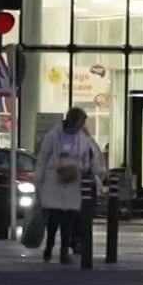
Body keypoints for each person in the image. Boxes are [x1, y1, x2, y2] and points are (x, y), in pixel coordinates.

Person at [34, 107, 105, 261]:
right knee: (53, 218)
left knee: (69, 218)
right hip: (54, 180)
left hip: (73, 181)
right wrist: (38, 179)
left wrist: (90, 172)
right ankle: (49, 246)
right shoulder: (53, 136)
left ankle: (64, 250)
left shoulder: (83, 138)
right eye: (82, 121)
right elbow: (43, 157)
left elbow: (88, 158)